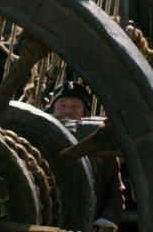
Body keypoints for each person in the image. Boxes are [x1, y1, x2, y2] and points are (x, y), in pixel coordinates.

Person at [48, 81, 127, 232]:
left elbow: (115, 193)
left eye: (75, 106)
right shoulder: (39, 141)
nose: (68, 111)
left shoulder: (101, 147)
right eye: (62, 105)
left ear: (85, 111)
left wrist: (106, 221)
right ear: (53, 109)